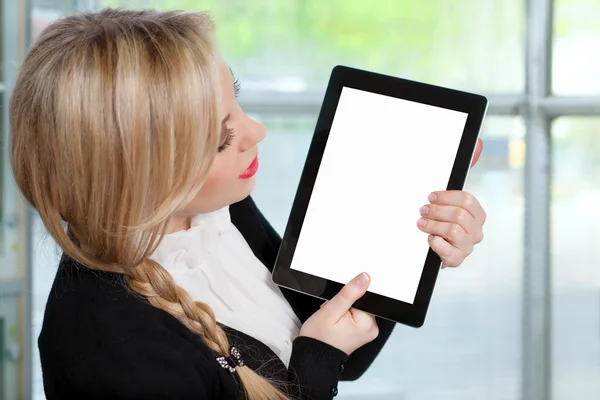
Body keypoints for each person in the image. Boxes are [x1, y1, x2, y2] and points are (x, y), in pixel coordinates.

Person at [9, 8, 487, 400]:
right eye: (221, 138)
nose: (256, 132)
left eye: (235, 101)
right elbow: (314, 357)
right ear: (145, 175)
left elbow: (342, 343)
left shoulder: (218, 211)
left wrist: (412, 238)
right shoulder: (112, 353)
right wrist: (315, 363)